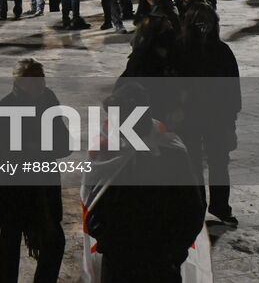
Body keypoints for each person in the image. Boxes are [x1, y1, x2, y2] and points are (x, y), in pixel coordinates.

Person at [82, 80, 207, 283]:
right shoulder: (107, 153)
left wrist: (173, 254)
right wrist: (109, 242)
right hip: (121, 262)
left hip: (159, 263)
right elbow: (92, 203)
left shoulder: (171, 152)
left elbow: (191, 209)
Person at [0, 59, 66, 283]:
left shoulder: (48, 99)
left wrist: (38, 147)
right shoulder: (7, 106)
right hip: (15, 186)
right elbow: (10, 151)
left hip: (43, 182)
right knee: (10, 242)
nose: (40, 85)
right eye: (34, 81)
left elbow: (63, 142)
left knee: (54, 241)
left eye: (41, 79)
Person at [173, 3, 241, 227]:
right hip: (189, 117)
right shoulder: (181, 50)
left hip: (216, 117)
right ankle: (196, 208)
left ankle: (220, 207)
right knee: (191, 165)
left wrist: (231, 119)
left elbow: (233, 88)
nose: (204, 29)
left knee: (219, 163)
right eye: (199, 24)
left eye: (208, 24)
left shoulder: (222, 51)